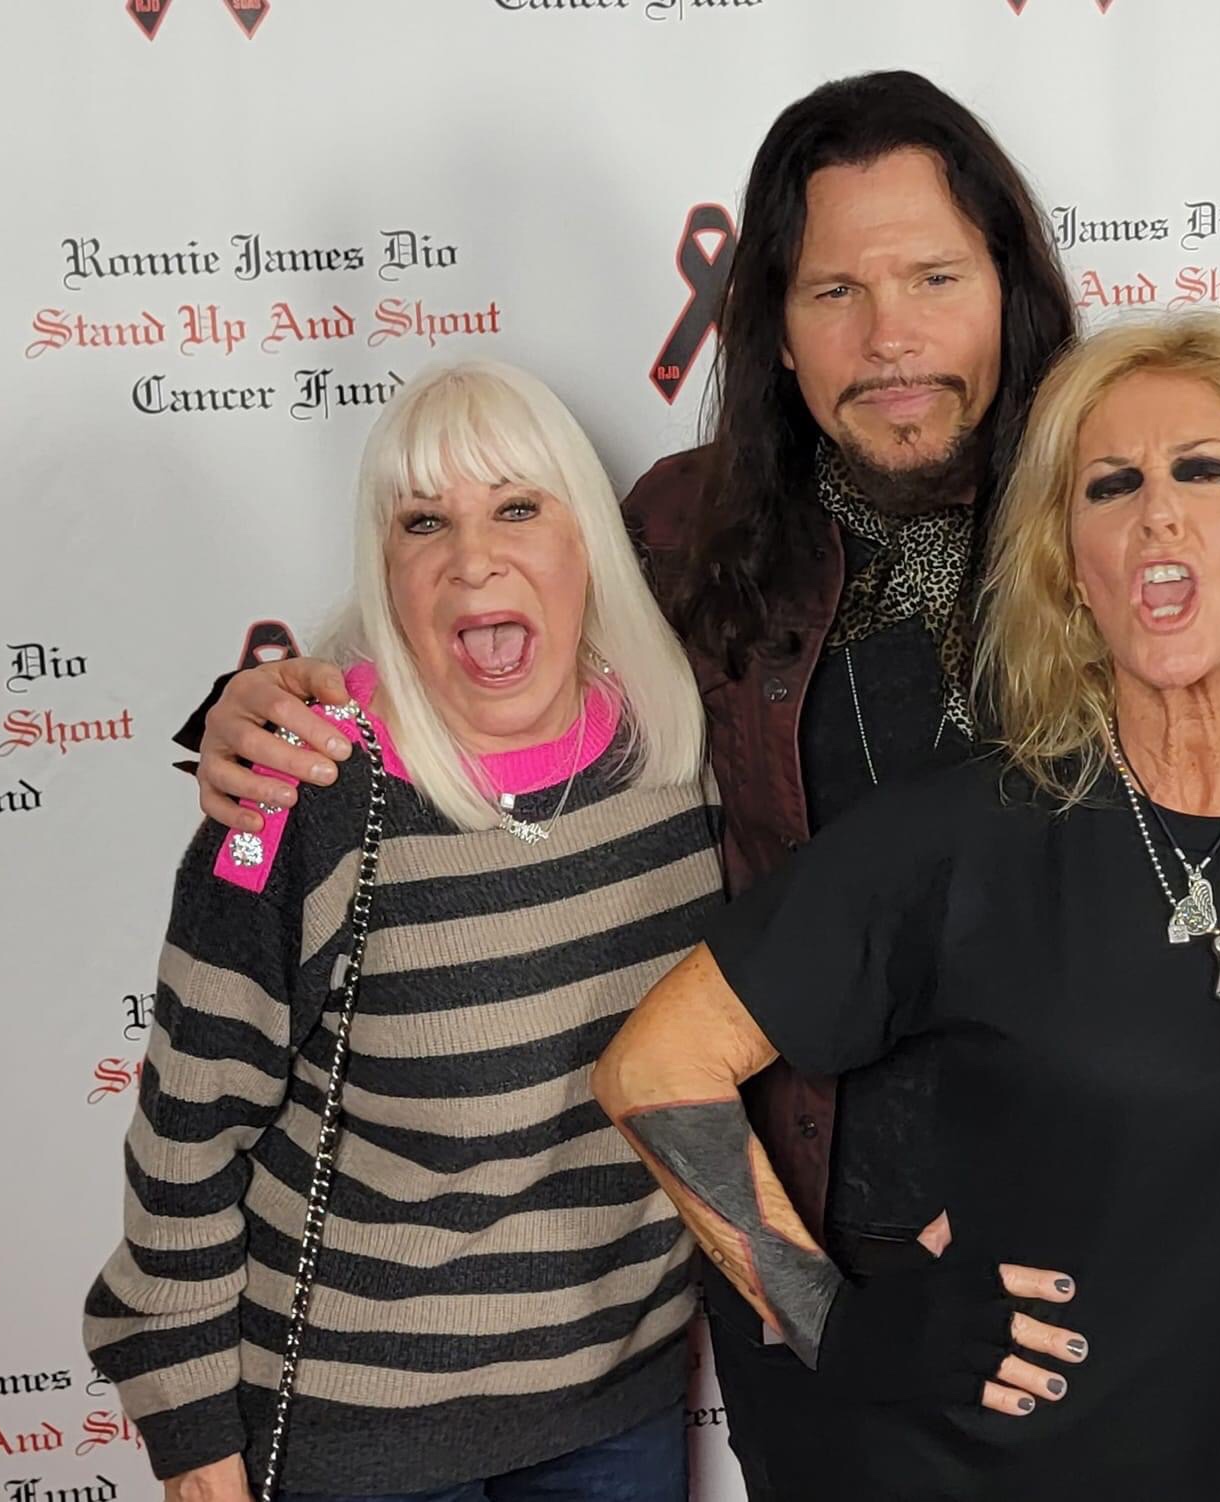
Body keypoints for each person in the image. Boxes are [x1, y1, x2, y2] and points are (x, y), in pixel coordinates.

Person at [172, 72, 1220, 1499]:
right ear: (775, 326)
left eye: (934, 278)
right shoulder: (688, 534)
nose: (891, 337)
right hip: (821, 1269)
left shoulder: (1117, 509)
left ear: (1007, 290)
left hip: (1112, 1266)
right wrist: (268, 705)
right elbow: (476, 636)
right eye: (835, 292)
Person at [592, 312, 1220, 1500]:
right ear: (1071, 572)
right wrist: (835, 1322)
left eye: (1202, 469)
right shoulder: (966, 831)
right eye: (1111, 485)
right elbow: (657, 1063)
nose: (1156, 511)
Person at [83, 362, 721, 1502]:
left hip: (615, 1397)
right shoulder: (305, 792)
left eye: (517, 507)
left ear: (589, 541)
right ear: (386, 570)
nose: (473, 558)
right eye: (424, 522)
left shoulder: (680, 762)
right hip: (356, 1430)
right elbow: (190, 1129)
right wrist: (190, 1432)